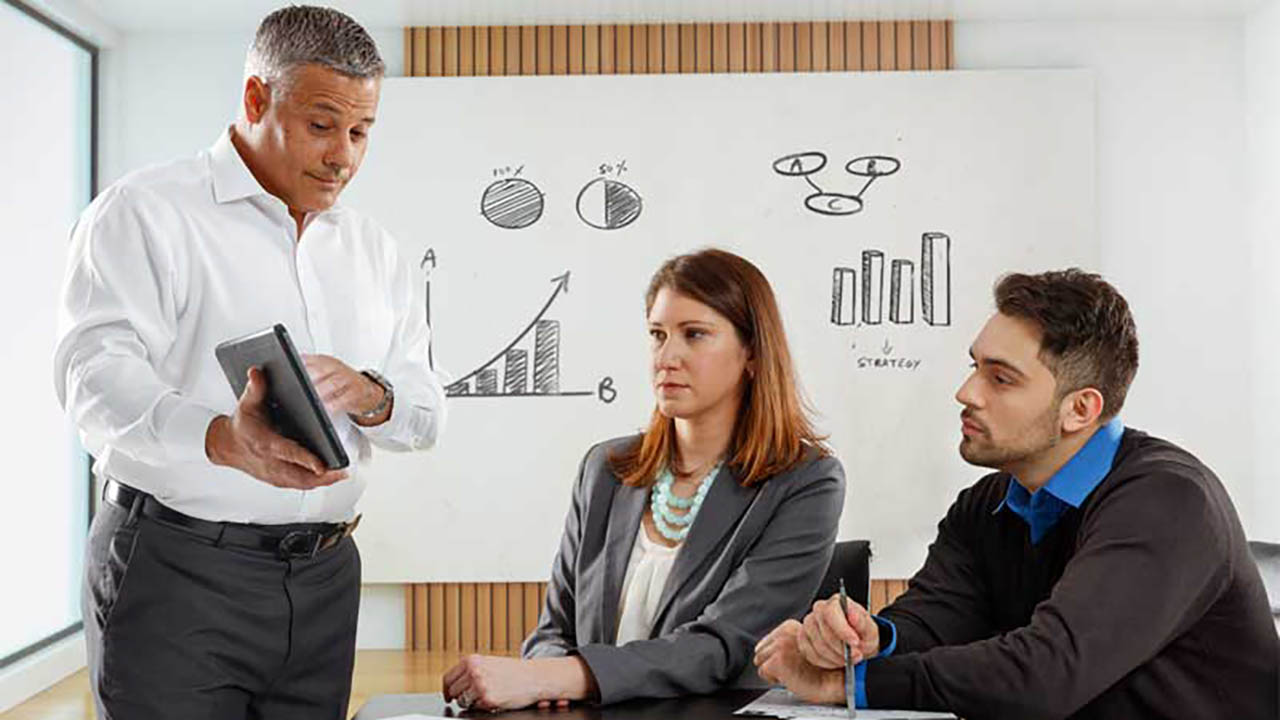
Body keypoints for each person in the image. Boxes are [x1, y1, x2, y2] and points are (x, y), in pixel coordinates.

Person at [54, 7, 446, 719]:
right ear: (256, 100)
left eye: (361, 133)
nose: (343, 157)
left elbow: (425, 411)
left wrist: (371, 394)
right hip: (180, 570)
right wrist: (219, 439)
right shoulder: (146, 212)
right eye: (322, 126)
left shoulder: (374, 250)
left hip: (326, 579)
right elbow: (91, 377)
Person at [754, 269, 1278, 719]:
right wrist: (863, 638)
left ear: (1081, 410)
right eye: (974, 366)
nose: (966, 393)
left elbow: (1047, 675)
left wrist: (851, 686)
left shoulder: (1167, 502)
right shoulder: (987, 504)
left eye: (1000, 379)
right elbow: (933, 622)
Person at [442, 248, 845, 710]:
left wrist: (555, 677)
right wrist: (545, 677)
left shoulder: (806, 482)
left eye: (694, 335)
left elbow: (721, 647)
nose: (667, 356)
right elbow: (555, 630)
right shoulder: (605, 468)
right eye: (657, 335)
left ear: (752, 353)